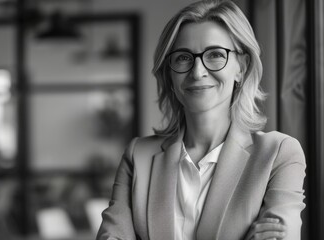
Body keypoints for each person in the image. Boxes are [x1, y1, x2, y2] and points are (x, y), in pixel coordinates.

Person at [97, 0, 306, 239]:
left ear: (242, 67)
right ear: (169, 72)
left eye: (216, 54)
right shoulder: (138, 156)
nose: (197, 72)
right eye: (183, 58)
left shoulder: (279, 154)